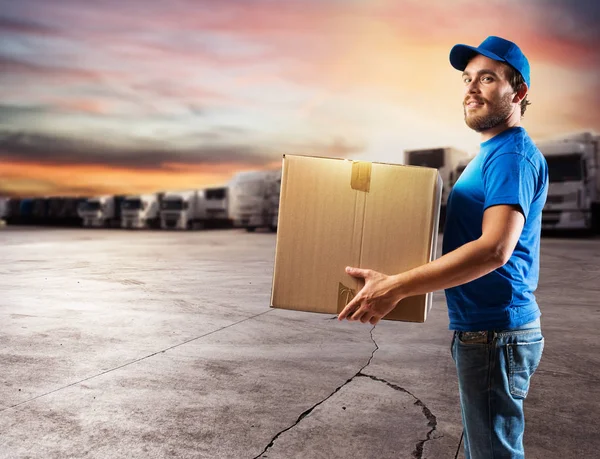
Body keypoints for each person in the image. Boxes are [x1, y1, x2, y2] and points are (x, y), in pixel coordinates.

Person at [337, 36, 548, 459]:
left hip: (495, 332)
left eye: (487, 78)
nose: (471, 88)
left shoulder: (511, 156)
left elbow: (494, 250)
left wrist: (396, 286)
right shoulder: (490, 153)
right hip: (484, 330)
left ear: (518, 92)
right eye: (468, 78)